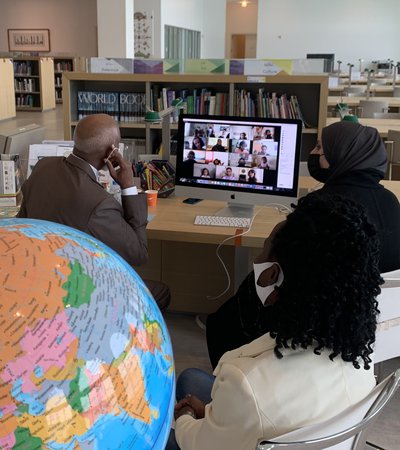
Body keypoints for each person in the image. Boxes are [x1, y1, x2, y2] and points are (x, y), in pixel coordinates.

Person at [167, 193, 381, 449]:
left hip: (241, 421)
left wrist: (186, 419)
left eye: (264, 250)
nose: (258, 261)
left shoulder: (245, 382)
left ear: (273, 277)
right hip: (282, 425)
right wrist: (218, 417)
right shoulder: (360, 359)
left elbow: (200, 445)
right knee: (191, 379)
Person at [18, 113, 170, 312]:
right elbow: (139, 253)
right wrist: (128, 186)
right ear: (112, 152)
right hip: (76, 291)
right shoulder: (99, 204)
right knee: (162, 292)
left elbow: (23, 221)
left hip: (39, 278)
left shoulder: (43, 166)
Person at [307, 120, 400, 273]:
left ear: (339, 155)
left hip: (333, 294)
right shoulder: (391, 200)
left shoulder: (318, 204)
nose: (313, 153)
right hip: (388, 296)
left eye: (319, 147)